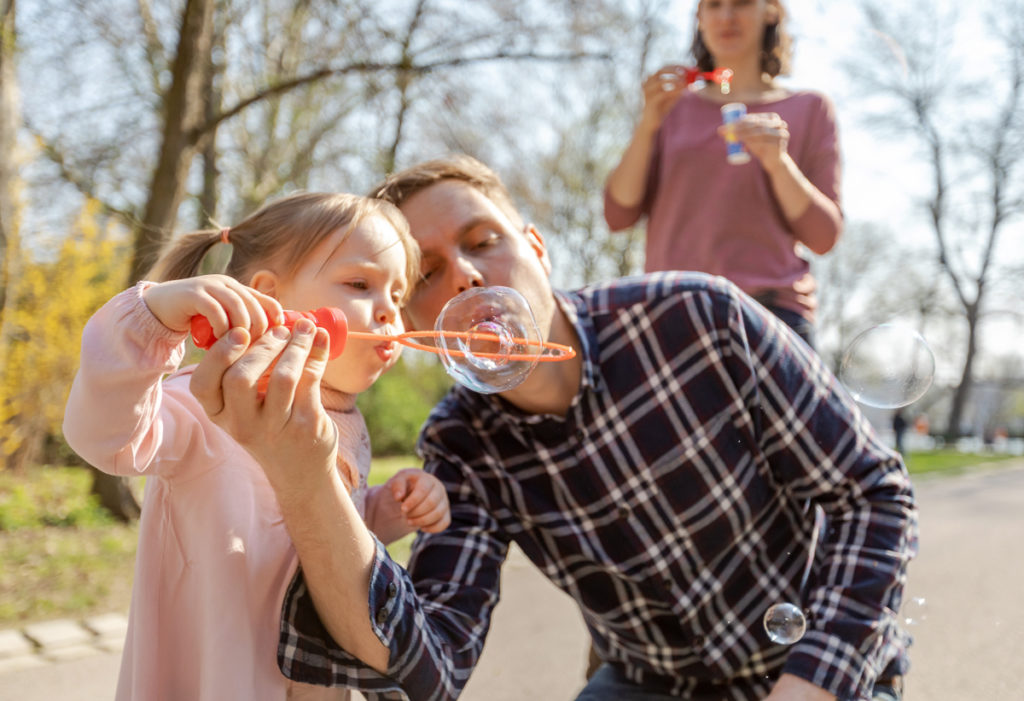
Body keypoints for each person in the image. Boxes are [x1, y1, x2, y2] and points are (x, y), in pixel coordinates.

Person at [189, 156, 916, 701]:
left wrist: (812, 680)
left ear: (536, 248)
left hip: (822, 658)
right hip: (650, 681)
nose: (467, 277)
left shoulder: (699, 318)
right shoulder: (463, 446)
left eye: (483, 240)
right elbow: (430, 665)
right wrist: (306, 471)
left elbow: (872, 491)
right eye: (426, 276)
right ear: (409, 324)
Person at [62, 192, 451, 701]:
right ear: (269, 295)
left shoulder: (346, 422)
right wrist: (150, 318)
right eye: (360, 284)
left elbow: (327, 533)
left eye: (398, 297)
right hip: (216, 678)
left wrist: (390, 507)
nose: (388, 315)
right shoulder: (206, 401)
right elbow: (104, 437)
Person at [604, 0, 842, 347]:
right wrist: (648, 123)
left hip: (771, 317)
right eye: (714, 5)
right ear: (699, 18)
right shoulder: (670, 108)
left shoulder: (810, 108)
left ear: (771, 11)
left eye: (742, 3)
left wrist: (778, 163)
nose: (727, 17)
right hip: (670, 312)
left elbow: (823, 236)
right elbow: (617, 214)